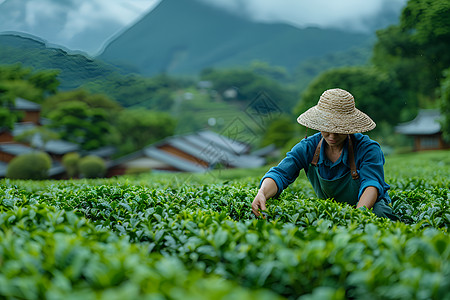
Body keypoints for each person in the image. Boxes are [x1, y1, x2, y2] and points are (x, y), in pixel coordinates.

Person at [251, 88, 399, 221]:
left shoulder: (367, 149)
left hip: (369, 204)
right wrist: (262, 193)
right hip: (332, 208)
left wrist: (358, 216)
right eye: (327, 128)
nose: (332, 135)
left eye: (339, 128)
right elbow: (280, 173)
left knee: (379, 214)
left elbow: (371, 184)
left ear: (349, 127)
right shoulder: (308, 147)